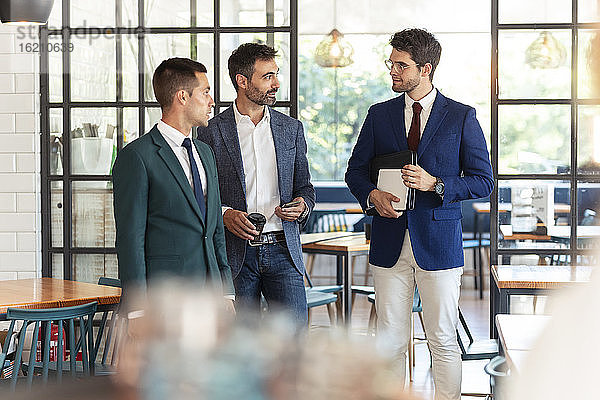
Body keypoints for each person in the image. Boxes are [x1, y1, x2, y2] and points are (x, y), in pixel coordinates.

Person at [345, 29, 493, 400]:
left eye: (401, 65)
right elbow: (355, 171)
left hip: (438, 244)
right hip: (388, 242)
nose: (392, 70)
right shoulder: (379, 115)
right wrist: (371, 194)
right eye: (390, 62)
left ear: (425, 68)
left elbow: (483, 181)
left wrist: (436, 184)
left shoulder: (461, 116)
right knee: (390, 341)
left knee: (442, 338)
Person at [197, 43, 315, 324]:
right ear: (242, 81)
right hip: (235, 256)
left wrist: (303, 206)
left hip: (284, 252)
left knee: (292, 346)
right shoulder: (210, 132)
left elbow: (306, 187)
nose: (276, 83)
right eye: (267, 77)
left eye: (276, 74)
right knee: (238, 348)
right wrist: (225, 215)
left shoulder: (291, 129)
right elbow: (199, 194)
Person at [112, 58, 235, 310]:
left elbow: (215, 232)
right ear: (182, 96)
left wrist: (226, 293)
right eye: (206, 92)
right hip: (164, 300)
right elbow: (130, 239)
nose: (212, 101)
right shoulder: (137, 156)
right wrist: (137, 309)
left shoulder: (205, 153)